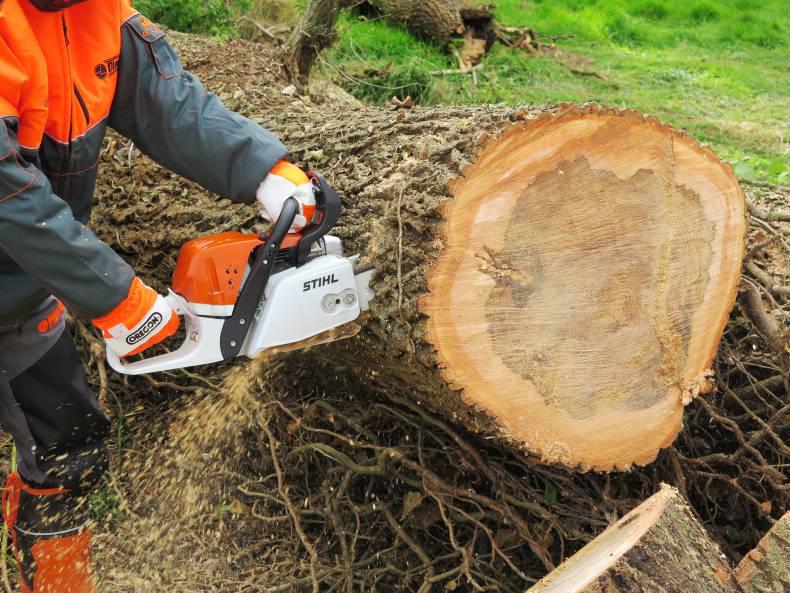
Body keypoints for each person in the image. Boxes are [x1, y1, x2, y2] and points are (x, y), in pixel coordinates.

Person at [0, 1, 315, 590]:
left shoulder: (103, 19)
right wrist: (116, 297)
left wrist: (266, 170)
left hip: (18, 294)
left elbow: (169, 104)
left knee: (68, 446)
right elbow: (6, 193)